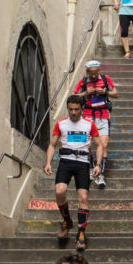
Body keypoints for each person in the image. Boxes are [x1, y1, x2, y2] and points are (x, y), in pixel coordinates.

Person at [45, 94, 103, 251]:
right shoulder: (61, 124)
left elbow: (99, 145)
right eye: (70, 109)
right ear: (67, 109)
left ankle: (81, 233)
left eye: (76, 109)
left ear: (82, 109)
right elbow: (52, 144)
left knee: (83, 197)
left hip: (82, 163)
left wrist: (98, 165)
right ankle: (66, 221)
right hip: (66, 161)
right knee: (59, 191)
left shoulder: (89, 124)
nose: (73, 112)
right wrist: (48, 162)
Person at [73, 61, 118, 189]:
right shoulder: (83, 81)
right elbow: (73, 96)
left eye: (95, 73)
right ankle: (92, 167)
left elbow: (116, 93)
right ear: (87, 72)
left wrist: (105, 92)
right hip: (87, 116)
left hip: (103, 115)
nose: (93, 76)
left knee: (104, 145)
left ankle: (100, 173)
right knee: (87, 145)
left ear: (99, 70)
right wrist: (85, 93)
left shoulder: (105, 78)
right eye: (91, 73)